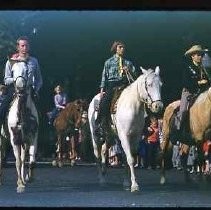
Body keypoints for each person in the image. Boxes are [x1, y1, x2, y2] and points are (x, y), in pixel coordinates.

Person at [95, 40, 138, 136]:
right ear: (115, 49)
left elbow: (135, 74)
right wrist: (102, 90)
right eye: (120, 47)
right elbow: (104, 76)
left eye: (123, 47)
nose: (122, 49)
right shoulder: (108, 62)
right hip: (112, 84)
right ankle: (100, 124)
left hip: (124, 83)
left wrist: (129, 70)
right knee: (105, 101)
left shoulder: (128, 63)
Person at [0, 36, 43, 125]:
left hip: (30, 90)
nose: (25, 48)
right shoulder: (11, 61)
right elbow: (6, 80)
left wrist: (36, 89)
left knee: (42, 110)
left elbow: (39, 79)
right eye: (22, 46)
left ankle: (44, 131)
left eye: (26, 46)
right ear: (18, 47)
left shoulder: (34, 61)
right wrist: (16, 80)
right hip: (14, 90)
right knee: (3, 108)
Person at [175, 45, 210, 131]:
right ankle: (177, 130)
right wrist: (198, 82)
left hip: (202, 94)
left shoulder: (204, 68)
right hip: (189, 93)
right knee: (183, 111)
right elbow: (185, 82)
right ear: (192, 56)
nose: (200, 57)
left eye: (201, 55)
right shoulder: (187, 68)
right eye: (197, 55)